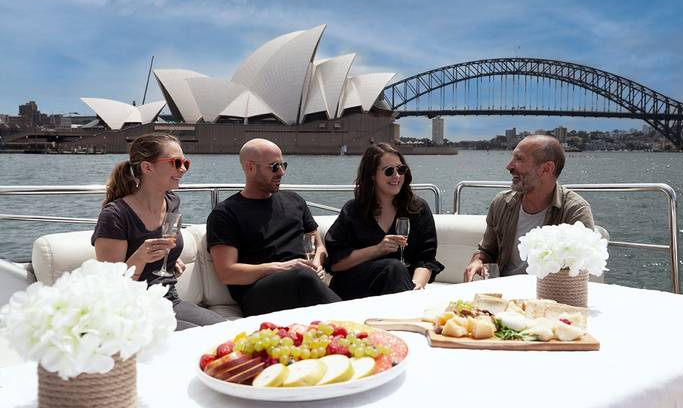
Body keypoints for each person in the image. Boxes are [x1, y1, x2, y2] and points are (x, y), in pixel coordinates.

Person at [92, 133, 225, 330]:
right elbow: (110, 289)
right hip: (130, 311)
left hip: (168, 300)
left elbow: (165, 243)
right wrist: (140, 258)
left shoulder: (172, 202)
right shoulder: (115, 215)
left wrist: (169, 261)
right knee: (200, 338)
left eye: (185, 163)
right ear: (147, 167)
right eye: (176, 162)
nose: (183, 169)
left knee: (229, 330)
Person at [206, 139, 341, 317]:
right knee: (302, 278)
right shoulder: (225, 213)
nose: (282, 172)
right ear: (250, 167)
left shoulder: (295, 201)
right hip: (258, 293)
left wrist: (316, 263)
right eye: (274, 167)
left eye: (283, 165)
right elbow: (228, 273)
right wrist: (283, 267)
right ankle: (353, 327)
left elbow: (318, 245)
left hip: (303, 280)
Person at [463, 135, 594, 282]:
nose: (509, 166)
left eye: (519, 159)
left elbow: (580, 272)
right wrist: (477, 261)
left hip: (550, 296)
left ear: (546, 169)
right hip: (503, 294)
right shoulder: (501, 203)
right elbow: (487, 251)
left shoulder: (574, 211)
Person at [325, 143, 444, 299]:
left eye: (401, 169)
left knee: (397, 271)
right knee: (394, 267)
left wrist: (416, 286)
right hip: (356, 287)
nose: (397, 176)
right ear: (372, 175)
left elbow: (426, 259)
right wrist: (378, 249)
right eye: (389, 171)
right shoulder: (354, 210)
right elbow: (335, 263)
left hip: (399, 287)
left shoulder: (417, 209)